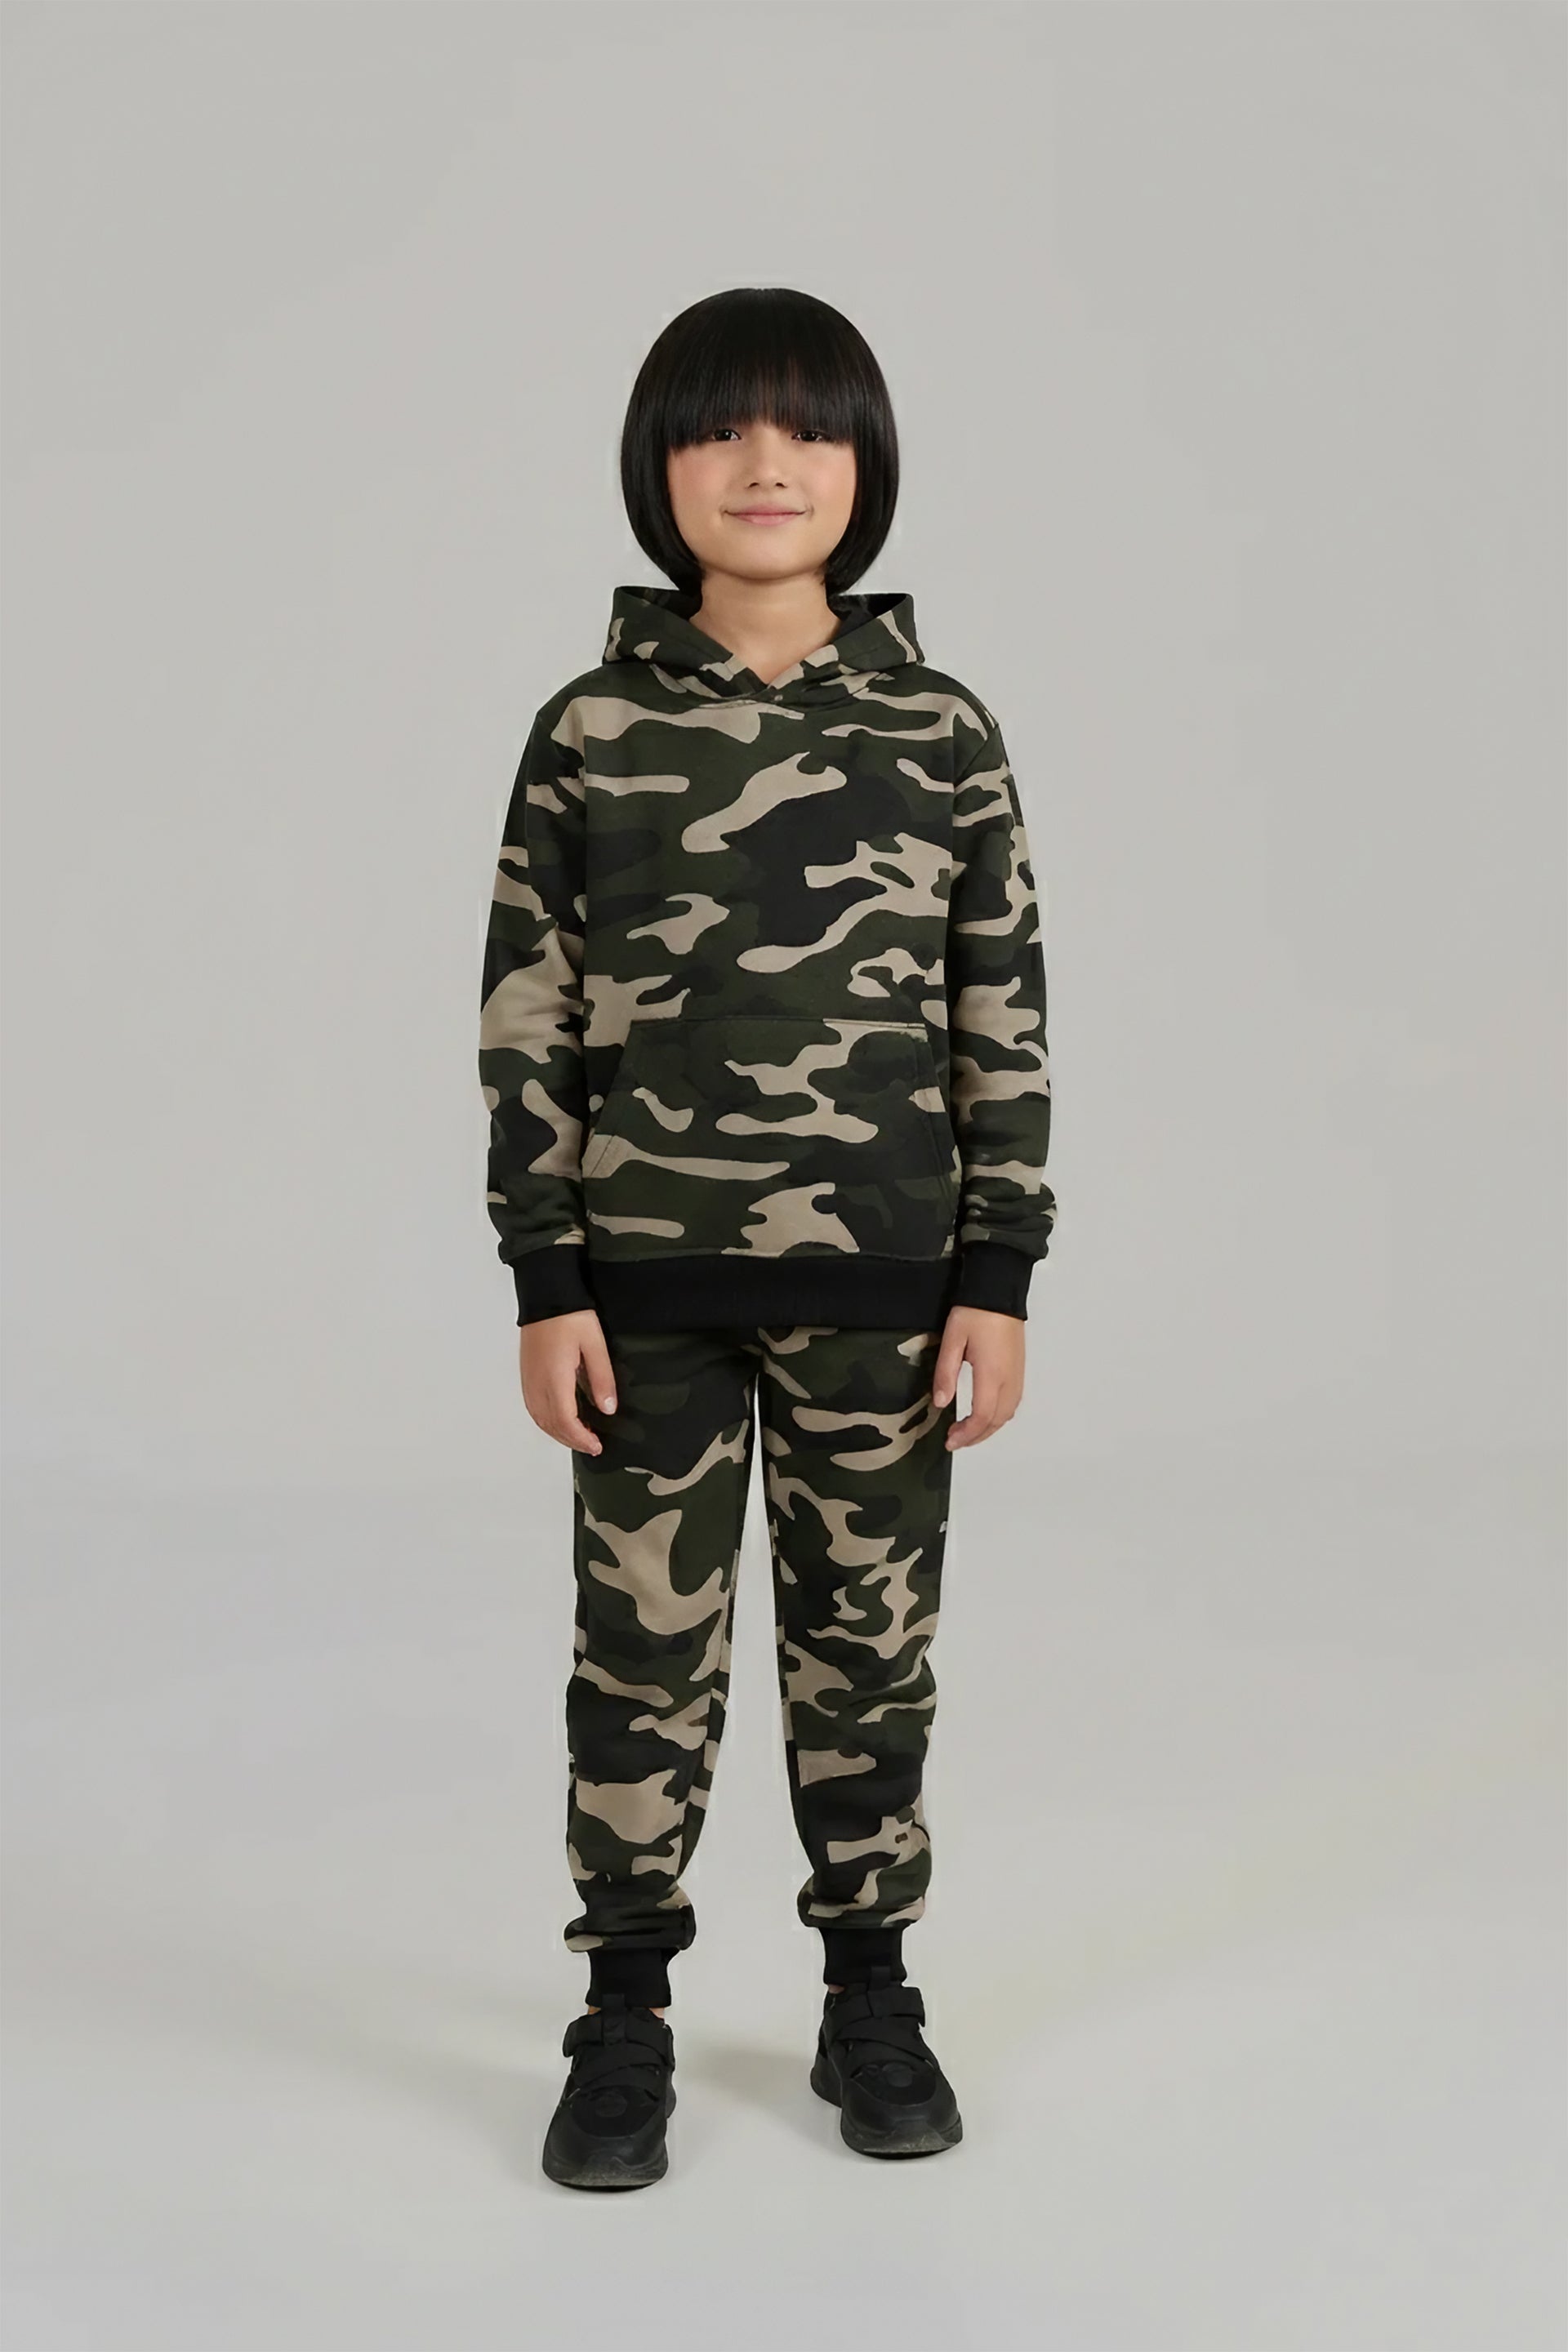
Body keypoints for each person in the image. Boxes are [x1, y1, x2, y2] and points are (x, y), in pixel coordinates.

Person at [478, 286, 1056, 2190]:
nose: (763, 465)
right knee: (638, 1662)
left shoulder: (940, 732)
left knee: (867, 1658)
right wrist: (546, 1276)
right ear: (656, 469)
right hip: (643, 1292)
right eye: (718, 429)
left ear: (866, 465)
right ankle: (622, 2010)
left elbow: (998, 1016)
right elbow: (528, 1017)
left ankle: (869, 1992)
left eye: (806, 429)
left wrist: (998, 1276)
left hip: (886, 1289)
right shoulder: (590, 732)